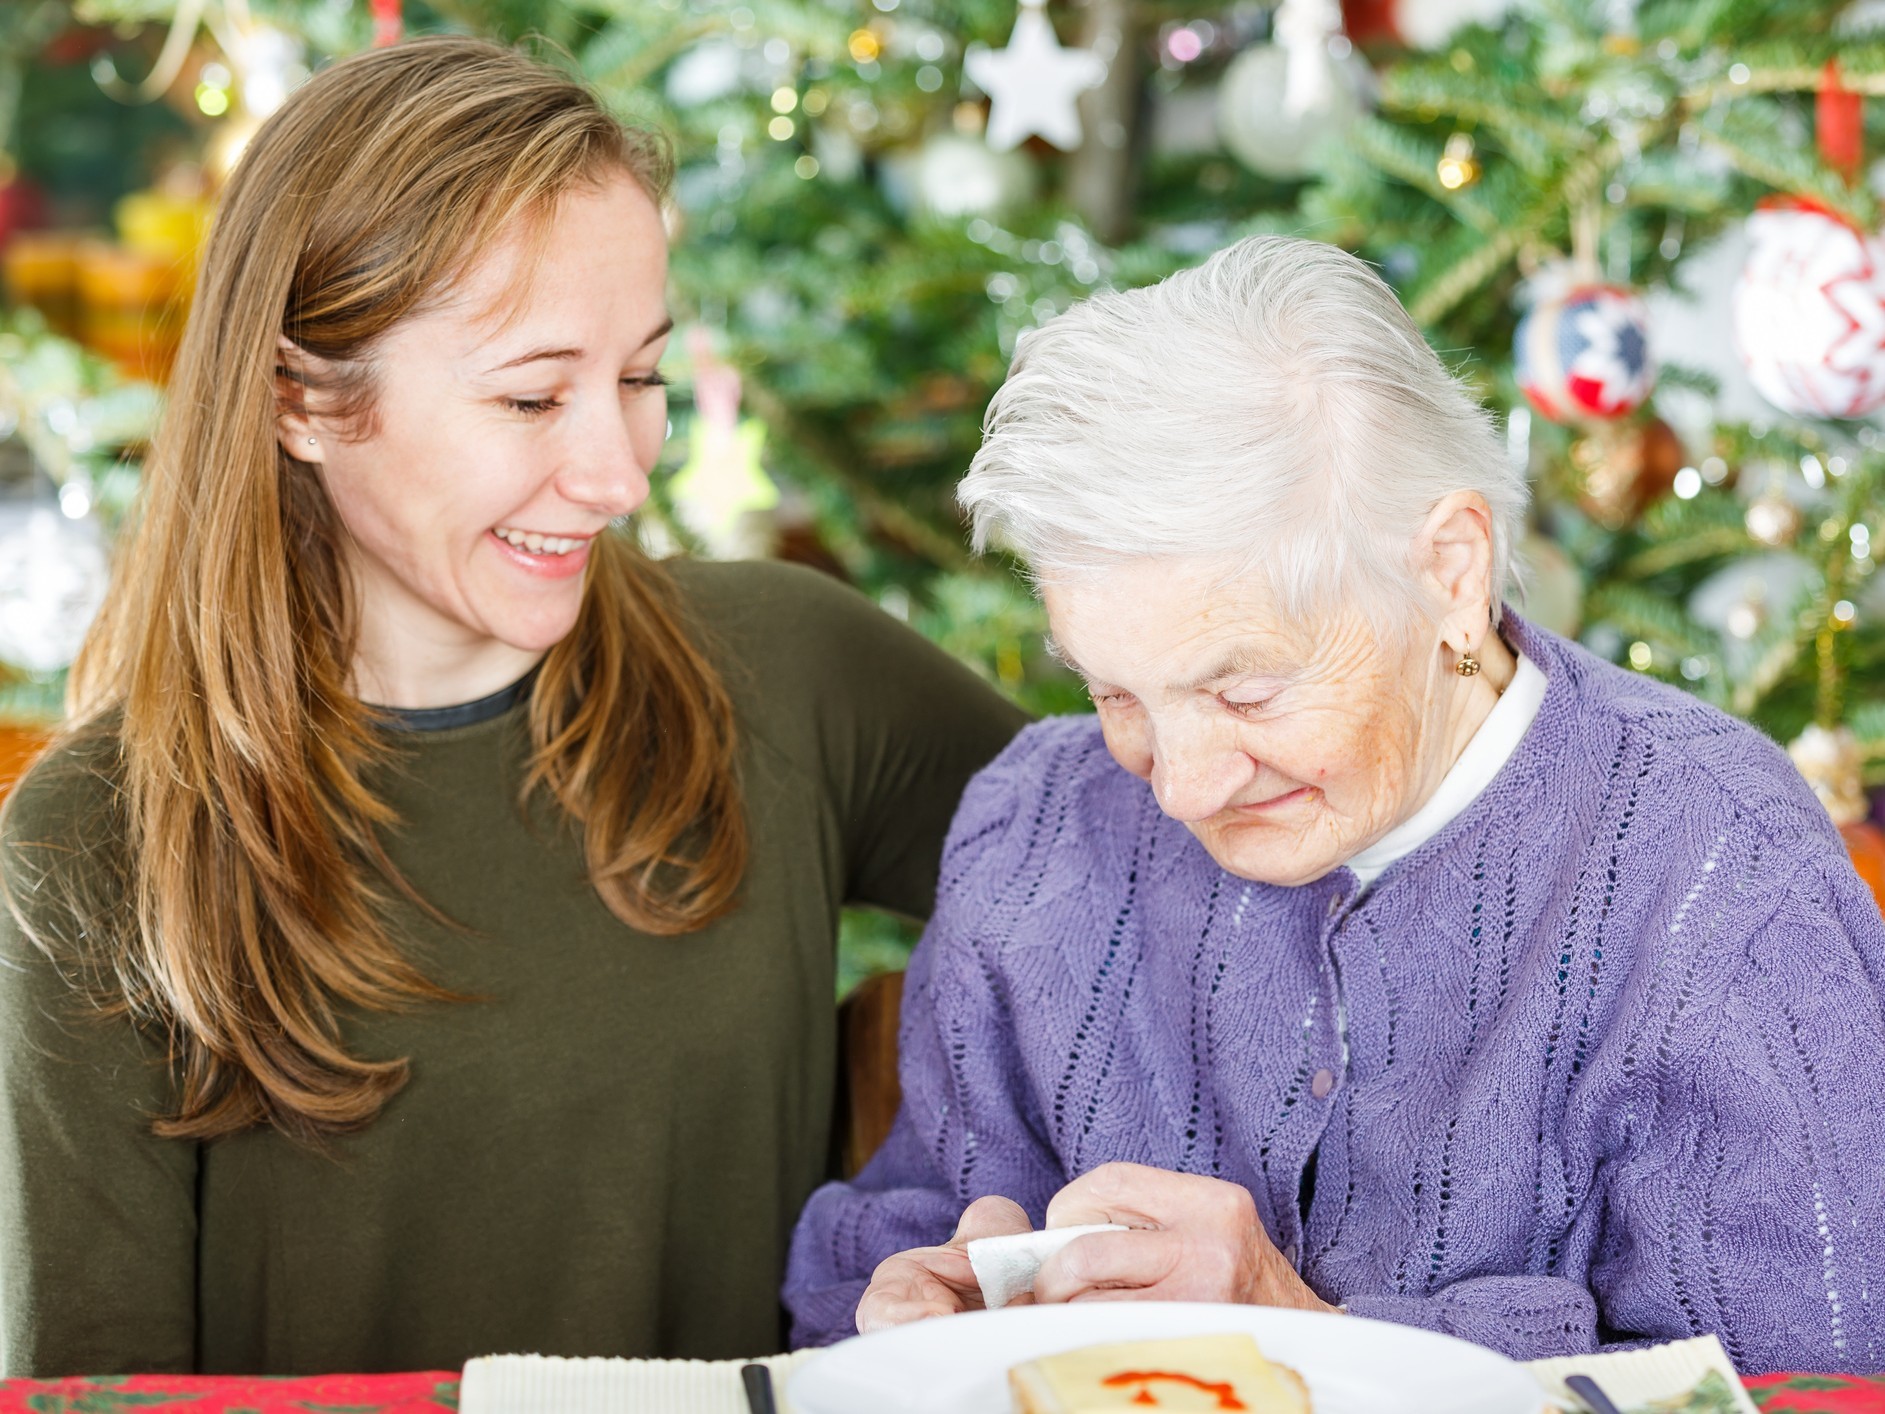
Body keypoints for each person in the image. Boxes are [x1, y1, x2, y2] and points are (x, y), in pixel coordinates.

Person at [0, 37, 1025, 1378]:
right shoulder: (93, 843)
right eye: (532, 395)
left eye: (641, 378)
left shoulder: (796, 674)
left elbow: (1183, 888)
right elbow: (92, 1391)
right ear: (299, 399)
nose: (617, 475)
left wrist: (1021, 1213)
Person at [783, 235, 1885, 1371]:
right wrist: (910, 1311)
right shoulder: (1038, 824)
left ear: (1449, 573)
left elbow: (1816, 1386)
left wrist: (1309, 1336)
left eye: (1245, 690)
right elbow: (884, 1247)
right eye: (1113, 692)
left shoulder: (1723, 882)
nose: (1181, 785)